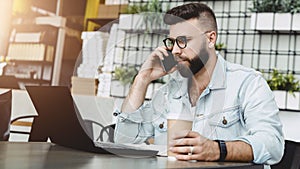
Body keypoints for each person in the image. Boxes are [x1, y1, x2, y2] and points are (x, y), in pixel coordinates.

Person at [113, 2, 284, 166]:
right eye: (172, 42)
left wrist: (217, 149)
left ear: (210, 39)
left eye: (183, 41)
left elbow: (272, 145)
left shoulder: (248, 84)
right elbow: (124, 142)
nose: (175, 51)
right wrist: (142, 79)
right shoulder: (168, 92)